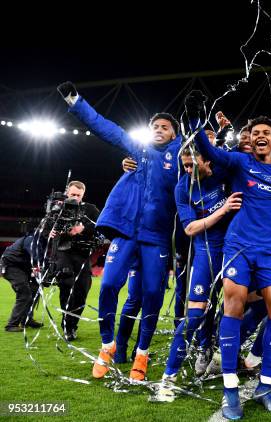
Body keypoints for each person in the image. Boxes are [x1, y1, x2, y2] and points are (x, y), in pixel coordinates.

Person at [58, 81, 183, 381]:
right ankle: (107, 346)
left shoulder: (180, 154)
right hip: (127, 231)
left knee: (153, 292)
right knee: (109, 284)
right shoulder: (137, 150)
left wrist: (198, 119)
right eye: (155, 125)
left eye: (165, 127)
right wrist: (76, 102)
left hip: (157, 236)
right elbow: (106, 128)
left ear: (175, 134)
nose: (158, 129)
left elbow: (203, 146)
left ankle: (142, 354)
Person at [186, 90, 271, 419]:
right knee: (233, 301)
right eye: (256, 133)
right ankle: (230, 388)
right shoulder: (239, 161)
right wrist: (195, 119)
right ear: (251, 140)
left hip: (270, 249)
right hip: (238, 246)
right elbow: (206, 150)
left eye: (267, 134)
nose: (261, 136)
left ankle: (265, 385)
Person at [155, 146, 241, 402]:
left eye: (193, 164)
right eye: (185, 166)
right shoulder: (183, 188)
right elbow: (191, 228)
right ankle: (168, 379)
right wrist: (223, 210)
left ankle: (221, 356)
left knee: (256, 304)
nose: (189, 171)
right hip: (207, 251)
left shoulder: (225, 172)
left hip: (238, 248)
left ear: (207, 161)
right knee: (194, 314)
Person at [50, 181, 100, 341]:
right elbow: (44, 230)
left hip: (83, 254)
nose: (75, 197)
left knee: (82, 290)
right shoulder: (57, 208)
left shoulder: (91, 210)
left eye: (79, 195)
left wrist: (83, 229)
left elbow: (101, 228)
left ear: (83, 195)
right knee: (66, 284)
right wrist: (50, 232)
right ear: (67, 193)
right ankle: (66, 326)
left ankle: (72, 325)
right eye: (73, 194)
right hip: (63, 252)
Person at [2, 235, 44, 331]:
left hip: (23, 268)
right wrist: (39, 265)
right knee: (24, 294)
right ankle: (11, 325)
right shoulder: (31, 239)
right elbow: (35, 256)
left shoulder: (37, 241)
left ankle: (27, 319)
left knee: (35, 289)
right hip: (11, 266)